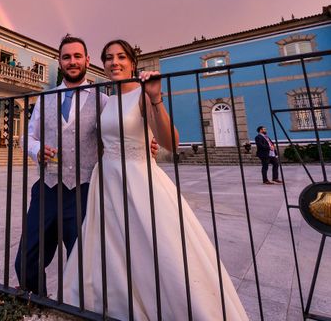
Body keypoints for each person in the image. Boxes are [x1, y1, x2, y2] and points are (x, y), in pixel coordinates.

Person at [63, 39, 248, 321]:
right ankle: (115, 302)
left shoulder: (143, 94)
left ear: (133, 63)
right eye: (109, 58)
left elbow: (170, 143)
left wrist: (155, 99)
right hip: (107, 179)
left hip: (138, 177)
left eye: (122, 57)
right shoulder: (107, 100)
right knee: (113, 244)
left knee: (154, 243)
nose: (115, 62)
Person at [14, 35, 158, 294]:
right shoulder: (45, 99)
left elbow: (119, 130)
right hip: (47, 189)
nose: (72, 61)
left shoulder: (102, 99)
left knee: (81, 261)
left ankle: (75, 307)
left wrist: (145, 143)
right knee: (27, 258)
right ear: (59, 62)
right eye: (67, 57)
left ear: (87, 60)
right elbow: (27, 137)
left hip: (84, 191)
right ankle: (37, 302)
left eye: (77, 56)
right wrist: (36, 150)